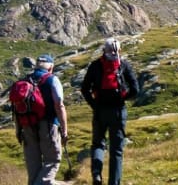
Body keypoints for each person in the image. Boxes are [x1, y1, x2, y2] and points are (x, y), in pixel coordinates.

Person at [79, 37, 139, 185]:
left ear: (104, 50)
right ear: (119, 50)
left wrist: (94, 105)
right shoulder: (123, 64)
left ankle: (97, 174)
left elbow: (84, 89)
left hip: (100, 111)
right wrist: (123, 99)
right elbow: (135, 89)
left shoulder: (95, 65)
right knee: (116, 150)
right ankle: (114, 182)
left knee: (98, 144)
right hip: (118, 111)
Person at [14, 54, 69, 185]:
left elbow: (16, 109)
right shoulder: (52, 80)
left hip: (27, 126)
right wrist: (64, 130)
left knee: (33, 166)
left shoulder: (24, 81)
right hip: (48, 126)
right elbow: (59, 105)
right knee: (52, 160)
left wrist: (18, 130)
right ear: (51, 67)